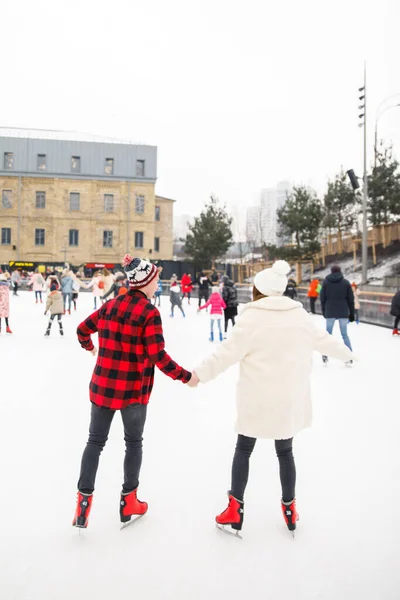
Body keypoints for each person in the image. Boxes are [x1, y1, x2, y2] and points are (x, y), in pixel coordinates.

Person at [192, 260, 353, 535]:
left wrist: (198, 375)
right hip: (288, 398)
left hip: (256, 399)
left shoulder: (251, 319)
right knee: (285, 451)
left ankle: (234, 509)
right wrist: (350, 354)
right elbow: (325, 341)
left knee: (244, 449)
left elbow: (225, 354)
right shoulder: (299, 317)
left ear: (258, 290)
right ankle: (289, 508)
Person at [73, 255, 195, 529]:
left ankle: (83, 504)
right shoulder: (149, 313)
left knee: (95, 442)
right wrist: (185, 377)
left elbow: (82, 330)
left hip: (103, 387)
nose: (157, 284)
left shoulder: (110, 306)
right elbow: (158, 356)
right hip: (133, 393)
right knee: (133, 444)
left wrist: (91, 349)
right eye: (155, 279)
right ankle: (129, 500)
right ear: (147, 282)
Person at [319, 265, 355, 365]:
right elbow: (350, 300)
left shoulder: (326, 283)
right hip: (343, 312)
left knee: (328, 335)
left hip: (330, 311)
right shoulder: (346, 283)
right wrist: (351, 313)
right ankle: (349, 356)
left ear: (331, 271)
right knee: (344, 334)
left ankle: (325, 355)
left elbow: (322, 298)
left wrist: (324, 311)